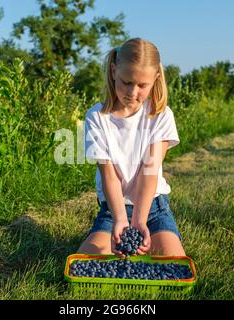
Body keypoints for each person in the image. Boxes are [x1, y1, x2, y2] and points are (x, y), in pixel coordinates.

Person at [78, 38, 186, 258]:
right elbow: (109, 176)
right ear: (114, 71)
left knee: (172, 263)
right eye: (126, 82)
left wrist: (139, 221)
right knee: (87, 262)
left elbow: (149, 170)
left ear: (155, 79)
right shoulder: (97, 117)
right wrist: (120, 220)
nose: (132, 92)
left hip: (154, 209)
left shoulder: (161, 115)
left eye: (142, 86)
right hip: (112, 210)